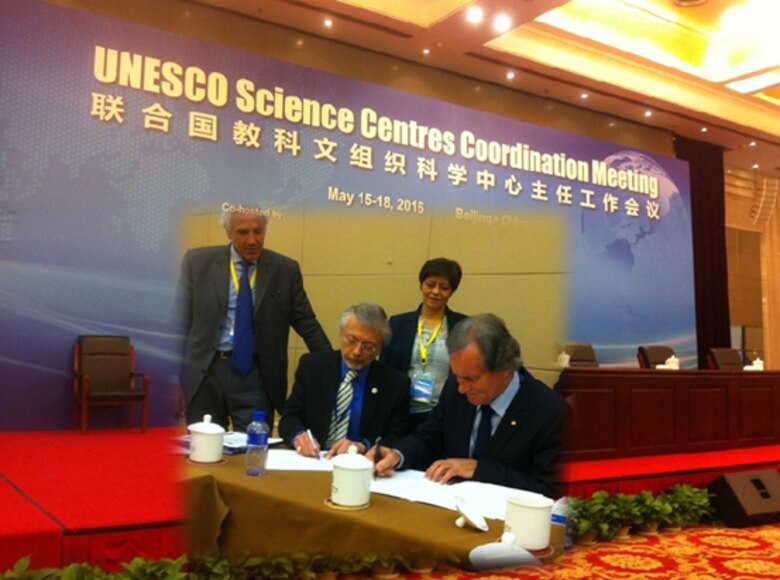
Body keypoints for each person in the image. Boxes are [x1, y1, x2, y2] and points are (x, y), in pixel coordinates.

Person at [372, 314, 564, 498]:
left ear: (505, 369)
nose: (462, 388)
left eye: (471, 379)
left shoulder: (549, 411)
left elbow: (548, 488)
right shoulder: (455, 388)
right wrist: (398, 454)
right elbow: (429, 435)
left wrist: (479, 469)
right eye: (457, 376)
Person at [178, 204, 331, 431]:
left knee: (253, 450)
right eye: (242, 232)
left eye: (258, 231)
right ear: (228, 232)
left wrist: (332, 366)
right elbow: (179, 322)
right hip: (205, 372)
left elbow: (307, 323)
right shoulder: (198, 263)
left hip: (256, 376)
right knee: (203, 449)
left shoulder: (284, 270)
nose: (252, 240)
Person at [279, 303, 410, 457]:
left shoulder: (395, 384)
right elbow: (289, 418)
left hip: (360, 466)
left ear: (381, 347)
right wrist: (299, 437)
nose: (356, 352)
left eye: (368, 346)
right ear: (341, 334)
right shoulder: (312, 367)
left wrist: (363, 446)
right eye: (352, 340)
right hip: (314, 459)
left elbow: (396, 436)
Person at [380, 258, 467, 429]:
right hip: (402, 414)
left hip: (445, 415)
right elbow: (385, 370)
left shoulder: (463, 326)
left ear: (452, 291)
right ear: (421, 285)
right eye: (430, 284)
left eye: (444, 287)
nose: (435, 292)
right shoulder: (397, 324)